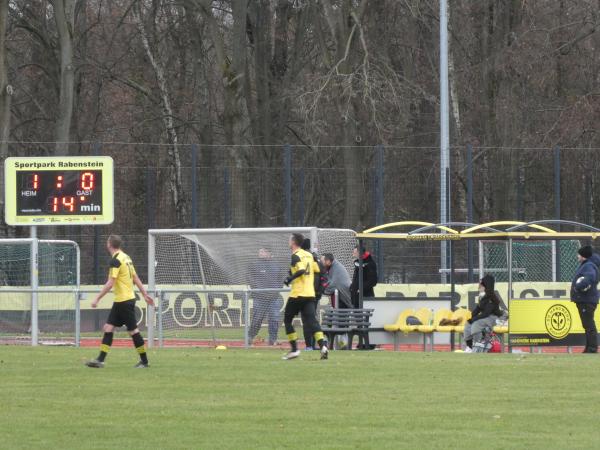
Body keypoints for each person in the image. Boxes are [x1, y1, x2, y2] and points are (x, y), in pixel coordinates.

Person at [86, 235, 155, 368]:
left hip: (124, 301)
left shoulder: (116, 260)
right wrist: (145, 294)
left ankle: (145, 361)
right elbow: (135, 278)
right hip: (123, 300)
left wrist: (97, 298)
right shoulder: (126, 257)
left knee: (133, 331)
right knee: (108, 328)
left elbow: (111, 282)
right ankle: (100, 360)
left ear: (109, 244)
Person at [282, 233, 329, 360]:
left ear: (293, 242)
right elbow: (318, 269)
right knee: (312, 321)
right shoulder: (309, 255)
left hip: (298, 293)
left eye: (289, 239)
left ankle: (294, 350)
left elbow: (302, 270)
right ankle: (323, 346)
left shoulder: (295, 256)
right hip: (310, 294)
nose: (288, 241)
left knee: (287, 320)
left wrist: (289, 278)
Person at [248, 247, 284, 346]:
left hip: (274, 297)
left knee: (274, 318)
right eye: (259, 251)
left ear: (269, 253)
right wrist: (257, 289)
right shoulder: (254, 264)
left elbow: (281, 279)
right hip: (259, 297)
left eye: (263, 251)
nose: (260, 253)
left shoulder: (276, 265)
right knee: (257, 318)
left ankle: (273, 339)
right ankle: (250, 337)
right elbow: (250, 278)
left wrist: (277, 290)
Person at [570, 245, 600, 353]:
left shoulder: (588, 266)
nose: (577, 256)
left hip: (587, 300)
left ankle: (592, 348)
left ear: (583, 256)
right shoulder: (587, 265)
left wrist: (579, 286)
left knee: (589, 324)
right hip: (586, 300)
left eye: (579, 254)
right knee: (587, 324)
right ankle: (589, 348)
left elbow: (590, 278)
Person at [464, 275, 502, 352]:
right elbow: (478, 309)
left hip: (493, 317)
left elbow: (486, 313)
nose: (479, 285)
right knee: (468, 323)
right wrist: (471, 317)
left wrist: (474, 319)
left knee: (476, 323)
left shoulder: (492, 297)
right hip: (485, 317)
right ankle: (470, 346)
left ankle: (477, 345)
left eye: (482, 284)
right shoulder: (482, 296)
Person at [301, 238, 326, 350]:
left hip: (304, 295)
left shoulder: (300, 259)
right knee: (311, 319)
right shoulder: (317, 261)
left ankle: (309, 345)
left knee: (307, 320)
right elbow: (325, 279)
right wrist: (319, 292)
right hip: (314, 295)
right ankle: (316, 344)